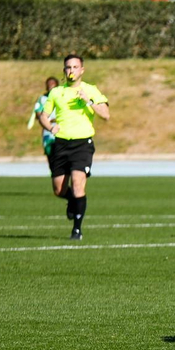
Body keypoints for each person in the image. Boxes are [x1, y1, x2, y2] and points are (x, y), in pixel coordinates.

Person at [37, 54, 109, 241]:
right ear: (64, 70)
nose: (71, 71)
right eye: (68, 67)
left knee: (78, 185)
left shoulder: (90, 90)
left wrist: (89, 101)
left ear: (82, 70)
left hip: (82, 144)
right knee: (59, 189)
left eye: (75, 67)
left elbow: (106, 114)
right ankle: (72, 202)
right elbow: (43, 115)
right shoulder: (56, 93)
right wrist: (50, 127)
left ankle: (77, 229)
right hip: (61, 143)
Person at [26, 75, 59, 170]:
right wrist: (44, 119)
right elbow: (38, 113)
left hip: (60, 129)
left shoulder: (62, 97)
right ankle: (54, 174)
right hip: (47, 130)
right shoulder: (41, 99)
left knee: (60, 153)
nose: (51, 86)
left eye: (53, 84)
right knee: (49, 152)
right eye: (49, 84)